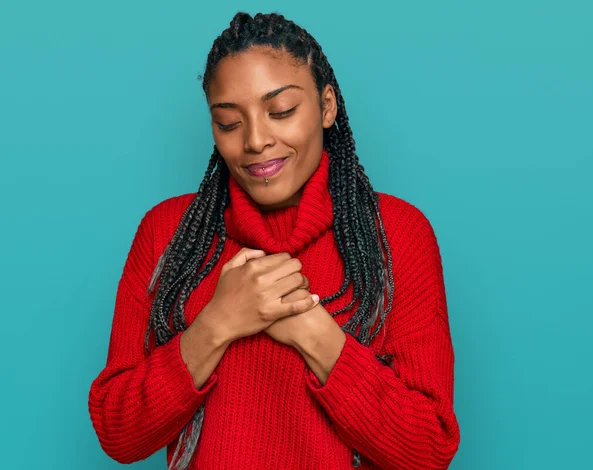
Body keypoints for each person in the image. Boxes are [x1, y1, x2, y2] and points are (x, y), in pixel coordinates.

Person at [88, 11, 460, 470]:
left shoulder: (396, 234)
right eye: (228, 123)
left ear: (326, 106)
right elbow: (118, 434)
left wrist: (316, 335)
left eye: (281, 111)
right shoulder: (168, 233)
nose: (256, 140)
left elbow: (428, 449)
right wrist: (216, 325)